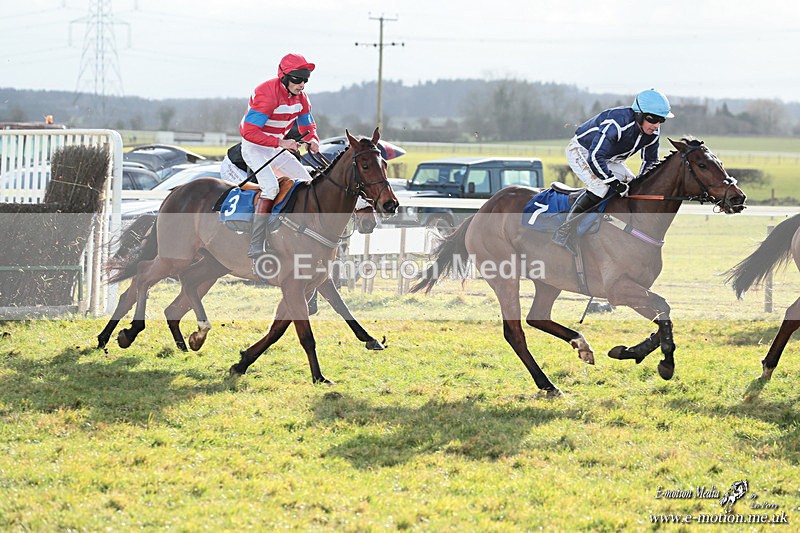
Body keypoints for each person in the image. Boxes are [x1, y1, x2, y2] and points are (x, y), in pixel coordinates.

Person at [552, 88, 674, 254]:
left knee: (633, 188)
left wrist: (642, 182)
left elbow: (650, 161)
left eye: (661, 120)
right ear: (639, 114)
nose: (656, 125)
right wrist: (613, 182)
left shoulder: (653, 133)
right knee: (600, 187)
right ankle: (564, 231)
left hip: (609, 159)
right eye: (652, 119)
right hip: (582, 152)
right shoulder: (617, 123)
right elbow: (595, 157)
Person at [239, 53, 321, 261]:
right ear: (284, 77)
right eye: (298, 79)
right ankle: (256, 242)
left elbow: (307, 125)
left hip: (275, 148)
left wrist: (312, 139)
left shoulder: (302, 98)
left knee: (308, 184)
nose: (302, 84)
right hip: (255, 148)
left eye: (305, 80)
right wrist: (281, 143)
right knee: (271, 188)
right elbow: (249, 132)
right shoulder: (267, 93)